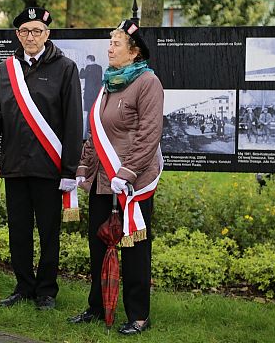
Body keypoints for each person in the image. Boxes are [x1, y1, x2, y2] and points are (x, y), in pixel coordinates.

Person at [68, 20, 163, 335]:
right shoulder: (110, 82)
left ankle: (138, 315)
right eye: (110, 43)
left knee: (134, 250)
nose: (109, 49)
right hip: (102, 181)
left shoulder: (148, 83)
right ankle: (97, 307)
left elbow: (148, 135)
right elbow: (96, 132)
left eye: (116, 44)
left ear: (134, 52)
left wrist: (128, 171)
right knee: (98, 246)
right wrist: (84, 164)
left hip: (132, 184)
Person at [0, 7, 83, 310]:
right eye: (25, 31)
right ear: (17, 35)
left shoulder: (65, 68)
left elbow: (72, 122)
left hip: (49, 168)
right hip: (15, 165)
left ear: (47, 34)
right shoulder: (5, 70)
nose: (31, 37)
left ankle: (46, 291)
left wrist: (69, 169)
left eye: (37, 31)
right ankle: (23, 287)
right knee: (18, 231)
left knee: (48, 233)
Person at [80, 55, 103, 138]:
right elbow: (99, 80)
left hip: (88, 95)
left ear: (88, 60)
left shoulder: (88, 67)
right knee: (95, 112)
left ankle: (89, 131)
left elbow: (81, 75)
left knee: (89, 113)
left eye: (86, 60)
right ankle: (95, 130)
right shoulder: (99, 68)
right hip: (96, 94)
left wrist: (82, 67)